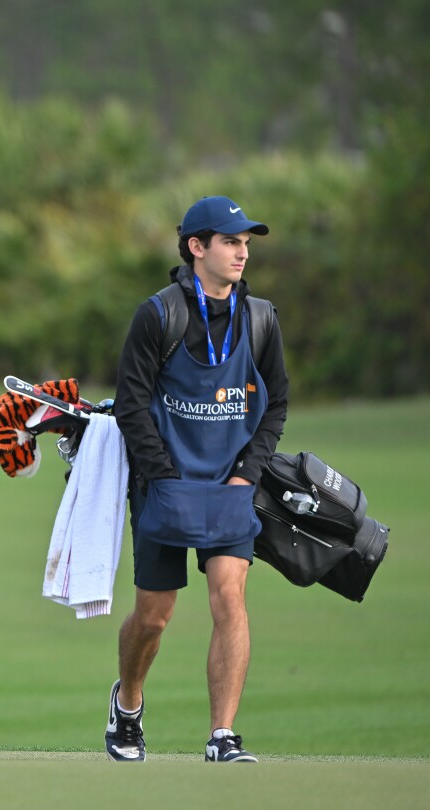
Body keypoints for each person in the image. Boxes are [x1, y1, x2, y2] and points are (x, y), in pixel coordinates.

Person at [107, 195, 289, 763]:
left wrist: (246, 474)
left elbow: (277, 403)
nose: (241, 252)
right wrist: (161, 476)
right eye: (230, 242)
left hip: (231, 486)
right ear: (196, 248)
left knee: (229, 596)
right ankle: (129, 705)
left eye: (245, 243)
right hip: (165, 486)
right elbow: (131, 405)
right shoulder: (158, 315)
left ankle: (222, 735)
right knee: (154, 615)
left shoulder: (260, 318)